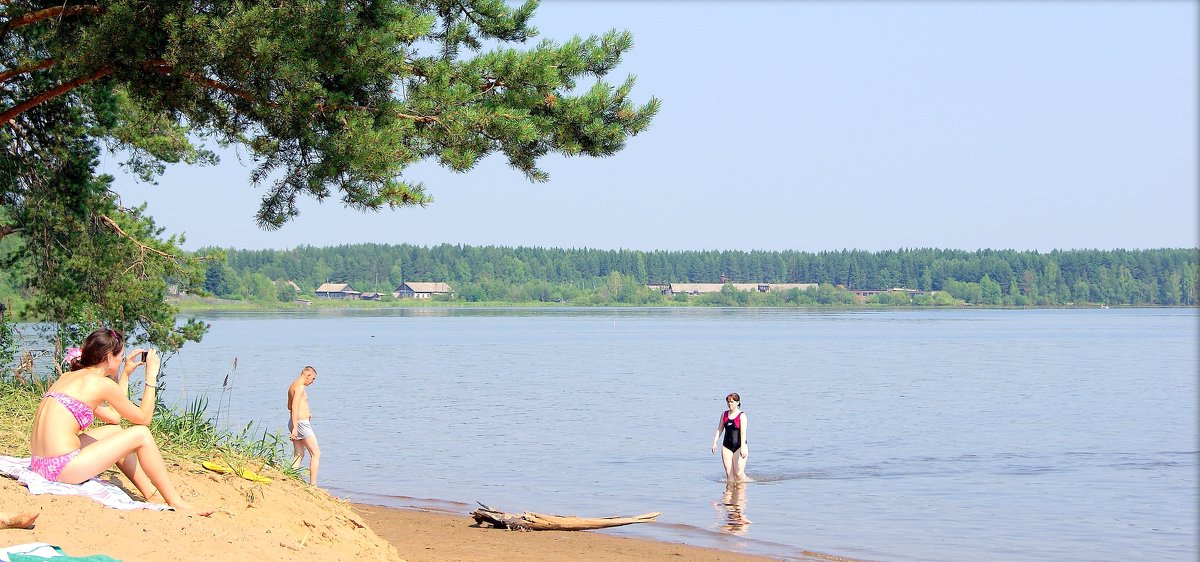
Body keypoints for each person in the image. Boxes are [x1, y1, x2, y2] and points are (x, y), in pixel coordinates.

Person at [27, 328, 211, 515]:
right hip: (60, 469)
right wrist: (151, 377)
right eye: (120, 357)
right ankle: (176, 502)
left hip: (40, 464)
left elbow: (114, 417)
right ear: (108, 357)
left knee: (115, 431)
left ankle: (151, 493)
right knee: (141, 434)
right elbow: (144, 419)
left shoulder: (68, 377)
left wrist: (125, 375)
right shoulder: (101, 384)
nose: (122, 361)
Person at [287, 365, 321, 485]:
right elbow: (294, 406)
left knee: (299, 454)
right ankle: (313, 485)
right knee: (316, 453)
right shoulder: (300, 387)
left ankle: (290, 478)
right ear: (308, 375)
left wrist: (307, 412)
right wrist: (295, 428)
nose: (312, 382)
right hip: (300, 424)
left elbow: (289, 406)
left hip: (294, 421)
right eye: (313, 379)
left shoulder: (292, 385)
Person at [710, 392, 750, 482]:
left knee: (738, 473)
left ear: (737, 402)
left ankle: (745, 486)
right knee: (729, 475)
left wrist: (743, 448)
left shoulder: (742, 416)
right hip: (726, 446)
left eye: (732, 402)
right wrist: (714, 442)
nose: (729, 404)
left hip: (740, 446)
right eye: (728, 402)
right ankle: (729, 495)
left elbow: (743, 433)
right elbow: (719, 429)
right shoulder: (724, 415)